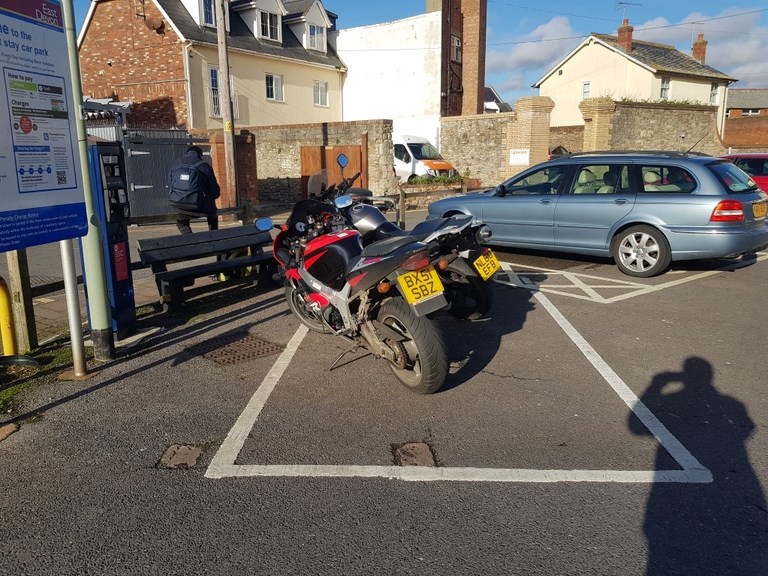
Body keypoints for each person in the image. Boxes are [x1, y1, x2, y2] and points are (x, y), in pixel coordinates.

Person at [170, 145, 220, 234]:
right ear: (200, 155)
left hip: (180, 206)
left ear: (186, 154)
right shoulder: (204, 166)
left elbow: (171, 187)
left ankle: (191, 240)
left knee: (182, 223)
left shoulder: (175, 165)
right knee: (213, 216)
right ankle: (213, 238)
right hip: (201, 207)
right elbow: (215, 191)